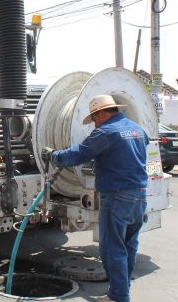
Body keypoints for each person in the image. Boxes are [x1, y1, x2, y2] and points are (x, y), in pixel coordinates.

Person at [50, 94, 149, 302]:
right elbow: (136, 149)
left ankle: (119, 297)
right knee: (129, 247)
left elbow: (77, 154)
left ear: (102, 113)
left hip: (116, 198)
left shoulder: (105, 132)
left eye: (94, 118)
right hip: (139, 196)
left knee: (112, 250)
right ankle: (121, 292)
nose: (94, 124)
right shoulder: (137, 129)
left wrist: (53, 155)